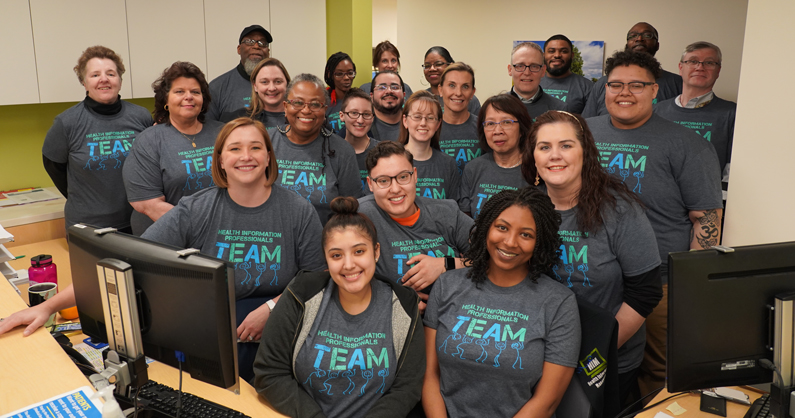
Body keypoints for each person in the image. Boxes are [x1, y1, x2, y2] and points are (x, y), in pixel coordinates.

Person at [141, 117, 326, 382]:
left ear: (269, 157)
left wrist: (272, 309)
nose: (246, 157)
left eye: (255, 147)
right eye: (235, 148)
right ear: (220, 159)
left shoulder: (298, 210)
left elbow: (317, 277)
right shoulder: (196, 209)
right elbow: (132, 256)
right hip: (212, 336)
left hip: (281, 335)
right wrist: (56, 303)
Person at [585, 50, 722, 398]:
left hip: (657, 284)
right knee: (586, 365)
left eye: (636, 85)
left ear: (655, 90)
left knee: (657, 371)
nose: (624, 92)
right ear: (604, 89)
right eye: (615, 84)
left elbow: (706, 218)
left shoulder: (688, 144)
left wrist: (688, 289)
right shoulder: (582, 131)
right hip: (588, 276)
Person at [523, 110, 662, 406]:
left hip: (605, 359)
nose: (554, 155)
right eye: (544, 147)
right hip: (539, 359)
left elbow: (645, 293)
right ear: (533, 157)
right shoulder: (524, 208)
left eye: (566, 145)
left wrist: (593, 354)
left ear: (585, 152)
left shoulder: (620, 210)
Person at [253, 196, 425, 418]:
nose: (348, 264)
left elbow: (407, 388)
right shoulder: (301, 294)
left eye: (359, 251)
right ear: (326, 259)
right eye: (336, 255)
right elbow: (269, 373)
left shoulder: (403, 304)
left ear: (376, 251)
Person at [423, 187, 581, 418]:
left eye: (526, 234)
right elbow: (429, 376)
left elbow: (547, 401)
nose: (510, 242)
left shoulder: (559, 303)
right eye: (502, 228)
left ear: (540, 242)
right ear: (487, 227)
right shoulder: (447, 285)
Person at [42, 45, 153, 233]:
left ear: (119, 80)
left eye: (111, 73)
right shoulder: (66, 123)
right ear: (84, 82)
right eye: (95, 75)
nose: (104, 79)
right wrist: (84, 198)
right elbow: (54, 166)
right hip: (87, 226)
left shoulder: (141, 116)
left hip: (137, 221)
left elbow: (151, 164)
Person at [358, 141, 473, 310]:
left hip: (457, 314)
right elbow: (342, 274)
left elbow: (494, 258)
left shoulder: (447, 212)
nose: (395, 189)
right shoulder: (361, 216)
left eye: (403, 177)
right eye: (383, 181)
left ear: (415, 175)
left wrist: (445, 264)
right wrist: (393, 302)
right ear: (370, 184)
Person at [123, 61, 224, 236]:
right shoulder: (149, 140)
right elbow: (148, 203)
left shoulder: (223, 133)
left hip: (220, 232)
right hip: (168, 236)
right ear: (166, 100)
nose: (189, 97)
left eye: (195, 92)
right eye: (179, 92)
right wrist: (197, 228)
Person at [269, 73, 362, 224]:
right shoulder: (266, 143)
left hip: (324, 240)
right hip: (273, 238)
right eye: (298, 103)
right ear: (285, 107)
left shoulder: (342, 151)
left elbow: (351, 210)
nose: (306, 110)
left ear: (325, 110)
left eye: (315, 104)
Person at [654, 41, 736, 204]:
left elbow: (733, 170)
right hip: (658, 206)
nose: (700, 67)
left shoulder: (732, 114)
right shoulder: (657, 111)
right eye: (692, 61)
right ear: (681, 67)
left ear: (718, 70)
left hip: (704, 206)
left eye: (709, 63)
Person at [582, 22, 683, 118]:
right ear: (627, 44)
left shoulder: (677, 83)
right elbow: (587, 124)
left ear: (657, 45)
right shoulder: (603, 83)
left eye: (647, 35)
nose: (639, 38)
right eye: (633, 35)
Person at [459, 94, 530, 218]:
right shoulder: (473, 169)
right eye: (490, 124)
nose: (498, 131)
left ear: (522, 129)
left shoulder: (535, 170)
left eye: (506, 122)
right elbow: (465, 219)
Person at [398, 91, 460, 201]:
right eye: (417, 117)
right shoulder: (390, 160)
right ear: (405, 121)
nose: (423, 123)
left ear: (438, 124)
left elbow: (453, 209)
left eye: (430, 118)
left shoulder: (448, 164)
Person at [206, 25, 273, 121]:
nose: (256, 46)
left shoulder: (280, 88)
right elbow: (207, 129)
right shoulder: (217, 88)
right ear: (239, 49)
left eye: (262, 43)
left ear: (268, 52)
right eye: (250, 41)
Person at [220, 58, 291, 128]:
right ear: (255, 86)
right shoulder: (237, 119)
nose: (272, 88)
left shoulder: (298, 118)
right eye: (264, 82)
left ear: (287, 84)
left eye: (278, 81)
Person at [437, 62, 481, 172]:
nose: (458, 93)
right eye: (452, 85)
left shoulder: (482, 127)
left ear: (472, 93)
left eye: (465, 87)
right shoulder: (430, 128)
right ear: (440, 90)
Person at [508, 42, 566, 119]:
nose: (527, 73)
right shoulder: (495, 106)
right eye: (520, 66)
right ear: (510, 70)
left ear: (543, 71)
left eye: (534, 66)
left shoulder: (560, 109)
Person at [540, 34, 594, 115]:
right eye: (551, 51)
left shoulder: (587, 87)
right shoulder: (533, 83)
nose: (557, 55)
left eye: (564, 51)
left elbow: (592, 122)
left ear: (572, 55)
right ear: (544, 55)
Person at [339, 88, 378, 196]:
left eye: (366, 114)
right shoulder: (332, 152)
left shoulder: (382, 152)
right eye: (354, 113)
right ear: (342, 116)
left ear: (373, 118)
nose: (360, 120)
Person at [423, 46, 481, 116]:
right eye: (427, 65)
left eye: (438, 64)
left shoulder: (468, 99)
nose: (432, 69)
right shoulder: (421, 98)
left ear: (450, 65)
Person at [324, 52, 357, 136]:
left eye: (350, 73)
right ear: (330, 75)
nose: (346, 78)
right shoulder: (324, 100)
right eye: (339, 74)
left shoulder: (359, 99)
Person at [369, 71, 406, 142]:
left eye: (395, 87)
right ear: (371, 96)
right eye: (382, 87)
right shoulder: (361, 125)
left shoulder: (416, 123)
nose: (389, 91)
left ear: (404, 95)